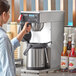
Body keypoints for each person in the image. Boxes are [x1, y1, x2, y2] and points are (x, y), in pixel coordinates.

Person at [0, 0, 31, 76]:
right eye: (8, 12)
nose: (9, 15)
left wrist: (23, 32)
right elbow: (8, 70)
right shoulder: (3, 38)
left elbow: (9, 46)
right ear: (4, 14)